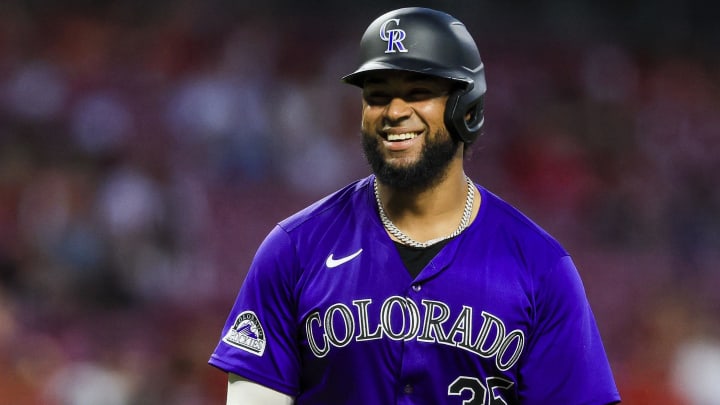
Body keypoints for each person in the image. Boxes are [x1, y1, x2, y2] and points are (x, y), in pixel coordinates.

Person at [209, 7, 621, 405]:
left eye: (419, 93)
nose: (394, 112)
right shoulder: (294, 249)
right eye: (378, 96)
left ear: (468, 109)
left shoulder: (540, 267)